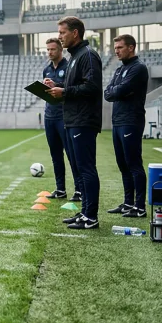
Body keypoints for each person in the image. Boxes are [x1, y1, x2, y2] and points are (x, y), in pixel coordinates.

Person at [47, 16, 103, 230]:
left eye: (62, 33)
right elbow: (76, 87)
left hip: (83, 121)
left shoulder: (87, 55)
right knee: (80, 168)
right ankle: (85, 212)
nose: (60, 37)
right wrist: (58, 86)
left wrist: (64, 91)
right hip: (73, 120)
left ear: (75, 33)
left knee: (86, 168)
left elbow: (92, 87)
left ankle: (91, 216)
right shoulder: (76, 57)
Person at [104, 34, 149, 218]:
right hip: (118, 121)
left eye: (120, 47)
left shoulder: (138, 69)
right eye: (115, 48)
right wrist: (117, 91)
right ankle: (128, 203)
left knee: (134, 164)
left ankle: (140, 207)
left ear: (131, 47)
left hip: (131, 121)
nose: (117, 51)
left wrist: (117, 91)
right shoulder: (118, 70)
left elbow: (119, 90)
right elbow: (107, 93)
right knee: (122, 164)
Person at [40, 38, 78, 201]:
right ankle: (60, 189)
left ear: (60, 50)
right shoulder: (46, 69)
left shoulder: (68, 67)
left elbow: (70, 88)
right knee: (55, 155)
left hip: (64, 116)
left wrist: (57, 84)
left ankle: (79, 190)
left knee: (71, 154)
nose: (50, 52)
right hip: (50, 116)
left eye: (53, 49)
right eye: (48, 49)